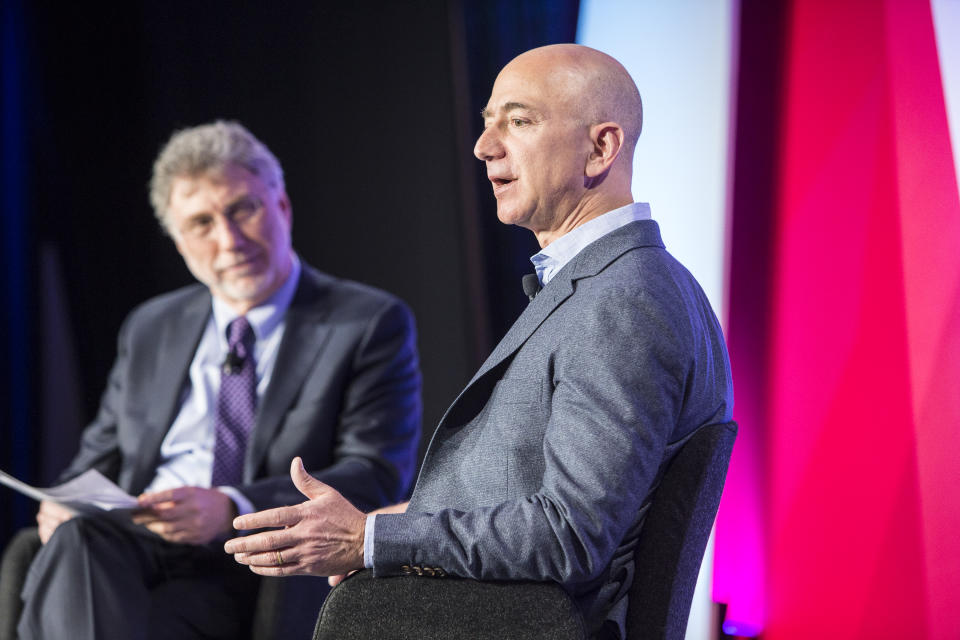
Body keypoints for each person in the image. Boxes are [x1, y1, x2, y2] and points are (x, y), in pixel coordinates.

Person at [225, 44, 733, 639]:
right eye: (488, 122)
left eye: (519, 121)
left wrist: (370, 540)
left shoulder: (624, 300)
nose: (484, 146)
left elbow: (571, 534)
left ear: (601, 148)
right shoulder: (608, 286)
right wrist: (401, 523)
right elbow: (537, 493)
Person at [12, 121, 422, 640]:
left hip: (250, 562)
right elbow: (102, 450)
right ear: (179, 241)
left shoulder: (365, 322)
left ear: (282, 206)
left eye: (242, 210)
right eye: (202, 223)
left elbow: (375, 474)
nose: (229, 241)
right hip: (130, 547)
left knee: (80, 571)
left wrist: (232, 505)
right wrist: (65, 500)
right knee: (78, 541)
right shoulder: (151, 326)